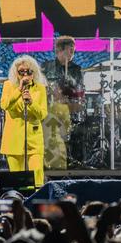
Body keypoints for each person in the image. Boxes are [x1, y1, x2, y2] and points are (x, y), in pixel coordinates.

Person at [0, 55, 48, 188]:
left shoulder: (40, 88)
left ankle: (35, 203)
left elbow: (43, 114)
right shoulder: (8, 86)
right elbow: (4, 105)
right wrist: (19, 90)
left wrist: (31, 103)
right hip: (14, 138)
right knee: (17, 180)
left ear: (34, 72)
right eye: (22, 72)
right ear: (16, 73)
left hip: (34, 138)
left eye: (29, 71)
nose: (25, 74)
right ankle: (19, 206)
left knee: (37, 175)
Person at [41, 37, 85, 168]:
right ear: (59, 50)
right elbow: (39, 86)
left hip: (69, 109)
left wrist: (69, 96)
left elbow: (80, 91)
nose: (72, 54)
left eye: (74, 51)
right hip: (50, 110)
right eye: (70, 50)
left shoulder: (76, 69)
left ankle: (71, 160)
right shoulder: (46, 66)